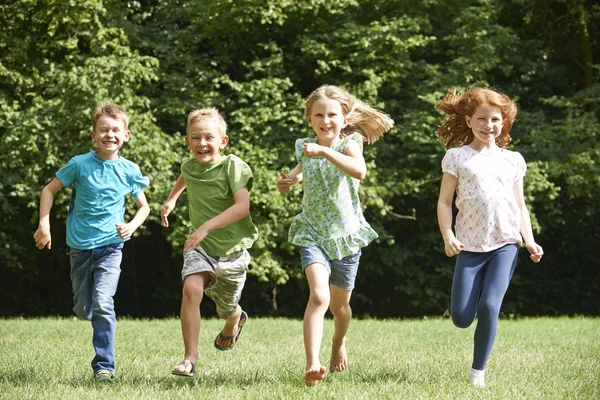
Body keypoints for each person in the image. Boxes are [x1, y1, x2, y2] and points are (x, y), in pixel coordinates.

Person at [277, 85, 394, 386]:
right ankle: (313, 364)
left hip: (345, 237)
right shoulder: (305, 147)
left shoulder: (349, 144)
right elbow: (301, 169)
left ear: (344, 118)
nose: (325, 120)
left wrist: (325, 151)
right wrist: (289, 181)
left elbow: (359, 171)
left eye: (332, 115)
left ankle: (338, 342)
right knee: (318, 296)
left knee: (339, 307)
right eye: (319, 114)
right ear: (309, 119)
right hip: (312, 233)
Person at [33, 103, 150, 384]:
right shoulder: (79, 164)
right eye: (103, 130)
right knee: (85, 307)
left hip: (111, 247)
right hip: (80, 248)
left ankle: (104, 366)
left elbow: (143, 207)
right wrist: (44, 224)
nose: (110, 135)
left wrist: (131, 226)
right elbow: (48, 190)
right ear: (93, 136)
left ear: (126, 135)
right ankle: (88, 312)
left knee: (102, 302)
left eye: (115, 130)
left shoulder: (129, 170)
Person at [435, 86, 544, 388]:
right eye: (482, 119)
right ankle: (469, 339)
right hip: (469, 246)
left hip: (505, 244)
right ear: (469, 121)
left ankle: (477, 373)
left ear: (503, 122)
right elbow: (444, 202)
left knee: (489, 307)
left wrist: (530, 240)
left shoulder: (514, 161)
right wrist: (448, 236)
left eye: (495, 119)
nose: (489, 125)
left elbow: (520, 205)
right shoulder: (456, 157)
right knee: (460, 317)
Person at [161, 107, 258, 378]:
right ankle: (190, 359)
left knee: (226, 308)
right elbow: (185, 176)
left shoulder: (233, 166)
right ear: (187, 141)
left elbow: (242, 207)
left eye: (208, 138)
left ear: (222, 141)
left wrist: (206, 227)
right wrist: (172, 199)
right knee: (191, 290)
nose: (202, 144)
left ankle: (234, 319)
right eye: (195, 138)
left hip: (233, 253)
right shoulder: (189, 166)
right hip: (200, 248)